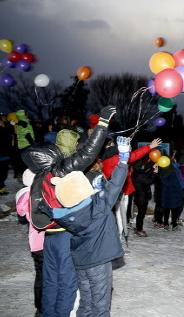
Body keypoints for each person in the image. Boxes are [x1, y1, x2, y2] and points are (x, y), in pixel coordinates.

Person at [22, 105, 115, 317]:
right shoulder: (60, 169)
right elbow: (89, 152)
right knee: (66, 284)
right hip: (64, 234)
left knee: (51, 282)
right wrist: (102, 124)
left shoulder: (39, 176)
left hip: (48, 237)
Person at [46, 136, 132, 317]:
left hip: (81, 261)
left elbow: (81, 203)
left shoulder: (65, 213)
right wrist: (123, 160)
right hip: (98, 262)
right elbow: (116, 184)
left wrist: (95, 192)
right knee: (100, 302)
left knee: (86, 300)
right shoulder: (98, 207)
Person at [16, 169, 46, 317]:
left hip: (35, 242)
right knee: (51, 275)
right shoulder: (39, 194)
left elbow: (21, 213)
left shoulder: (23, 196)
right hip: (48, 240)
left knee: (40, 274)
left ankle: (40, 307)